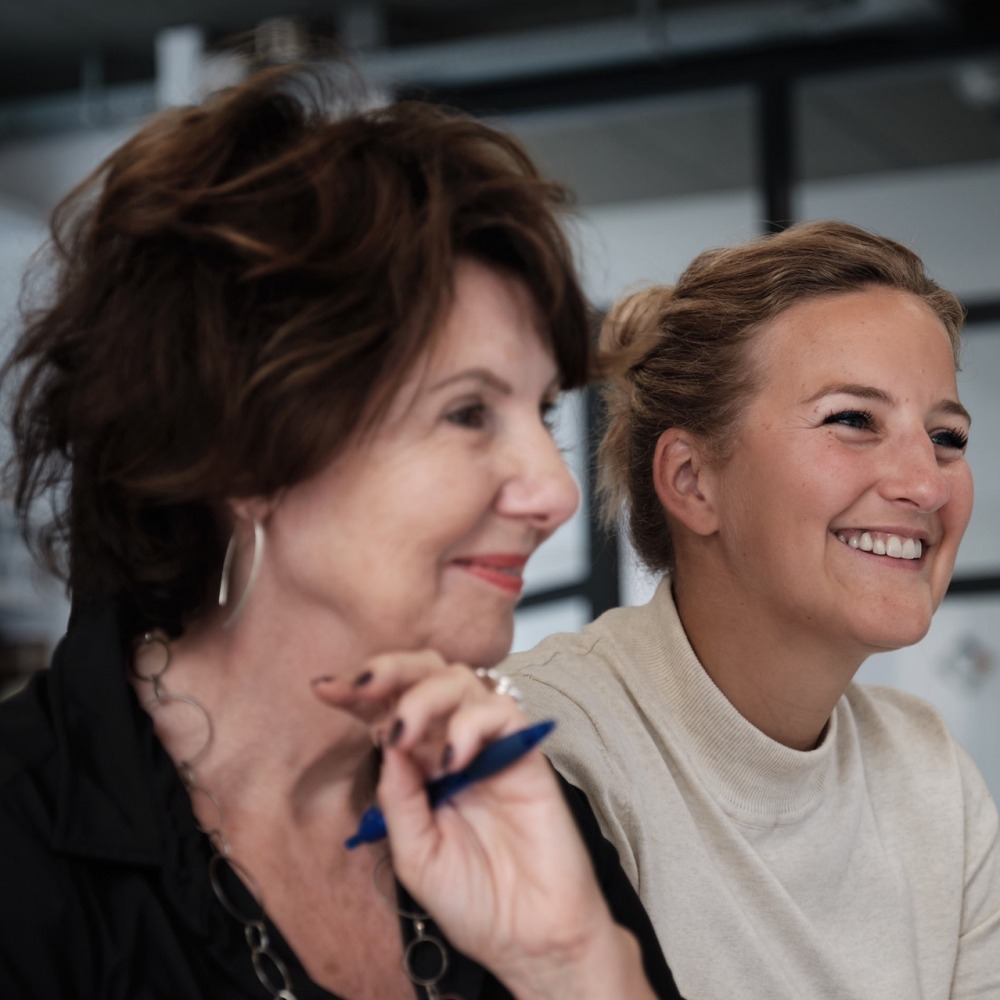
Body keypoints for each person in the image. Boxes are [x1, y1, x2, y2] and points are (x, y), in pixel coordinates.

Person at [0, 65, 681, 999]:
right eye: (469, 413)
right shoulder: (23, 842)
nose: (555, 491)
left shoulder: (520, 814)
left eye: (545, 416)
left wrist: (573, 965)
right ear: (243, 451)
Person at [504, 220, 1000, 998]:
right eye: (853, 420)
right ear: (693, 479)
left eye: (947, 435)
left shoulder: (927, 769)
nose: (927, 484)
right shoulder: (552, 742)